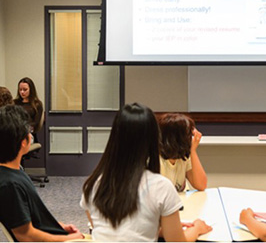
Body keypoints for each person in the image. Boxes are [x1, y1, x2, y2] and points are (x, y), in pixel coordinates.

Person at [80, 103, 212, 242]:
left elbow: (112, 232)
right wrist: (197, 228)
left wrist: (161, 228)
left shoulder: (93, 185)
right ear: (154, 139)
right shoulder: (160, 186)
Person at [0, 105, 84, 242]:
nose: (31, 134)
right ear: (23, 142)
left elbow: (33, 219)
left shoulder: (15, 173)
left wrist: (59, 227)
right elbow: (26, 236)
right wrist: (67, 239)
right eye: (28, 131)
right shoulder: (10, 185)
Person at [159, 113, 207, 192]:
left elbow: (201, 185)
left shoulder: (183, 157)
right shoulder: (155, 160)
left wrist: (193, 151)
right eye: (189, 135)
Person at [14, 77, 44, 141]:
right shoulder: (15, 103)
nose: (22, 92)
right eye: (20, 89)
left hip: (28, 134)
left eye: (25, 90)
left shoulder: (37, 104)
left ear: (31, 90)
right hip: (15, 133)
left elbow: (35, 123)